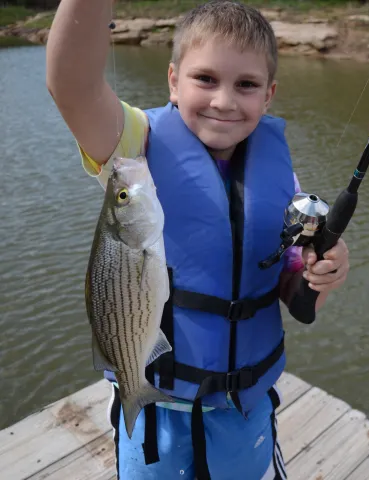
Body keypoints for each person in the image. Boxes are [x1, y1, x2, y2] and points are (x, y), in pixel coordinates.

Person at [46, 1, 350, 479]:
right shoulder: (134, 150)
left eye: (246, 84)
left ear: (269, 94)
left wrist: (320, 274)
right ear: (172, 81)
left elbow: (289, 286)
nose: (225, 101)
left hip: (243, 411)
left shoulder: (280, 177)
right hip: (155, 413)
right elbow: (71, 85)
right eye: (204, 79)